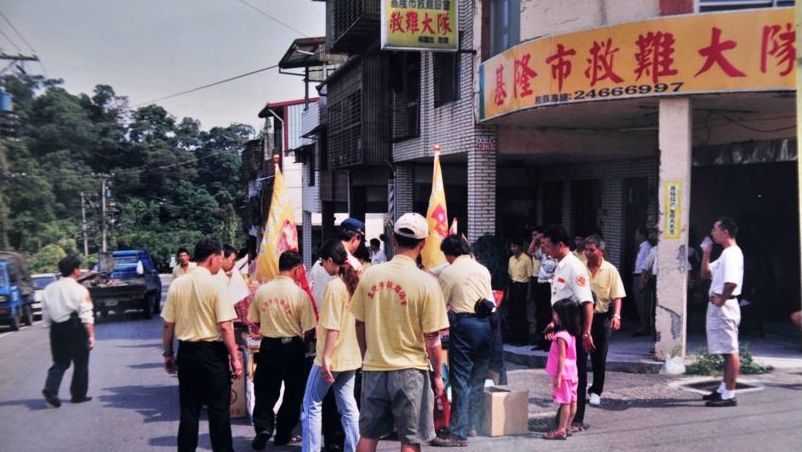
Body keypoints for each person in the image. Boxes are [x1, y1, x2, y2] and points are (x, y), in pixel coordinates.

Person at [351, 212, 449, 452]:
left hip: (374, 368)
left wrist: (367, 356)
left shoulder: (370, 275)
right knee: (409, 439)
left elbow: (359, 323)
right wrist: (438, 375)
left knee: (368, 435)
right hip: (410, 371)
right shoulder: (427, 283)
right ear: (423, 244)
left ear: (393, 239)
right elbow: (432, 338)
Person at [161, 238, 243, 452]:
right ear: (213, 257)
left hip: (187, 353)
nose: (221, 262)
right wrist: (235, 357)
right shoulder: (217, 284)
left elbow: (168, 325)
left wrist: (168, 354)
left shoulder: (178, 284)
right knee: (219, 411)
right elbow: (225, 326)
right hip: (213, 355)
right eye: (220, 258)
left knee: (189, 411)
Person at [248, 251, 317, 449]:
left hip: (268, 345)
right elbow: (310, 327)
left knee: (265, 389)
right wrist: (306, 343)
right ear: (296, 269)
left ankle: (263, 427)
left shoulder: (262, 291)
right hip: (292, 347)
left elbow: (254, 320)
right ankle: (284, 432)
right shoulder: (300, 294)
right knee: (293, 392)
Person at [430, 235, 493, 447]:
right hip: (486, 326)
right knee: (478, 378)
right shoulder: (482, 269)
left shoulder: (449, 272)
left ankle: (457, 432)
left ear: (449, 254)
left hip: (464, 326)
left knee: (461, 380)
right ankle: (471, 425)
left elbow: (440, 303)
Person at [301, 240, 362, 452]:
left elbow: (332, 326)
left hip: (330, 358)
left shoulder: (334, 287)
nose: (322, 266)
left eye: (321, 261)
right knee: (348, 407)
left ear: (329, 260)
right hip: (351, 356)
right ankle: (354, 448)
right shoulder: (354, 283)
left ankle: (311, 449)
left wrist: (326, 358)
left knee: (311, 405)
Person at [542, 225, 594, 432]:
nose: (545, 249)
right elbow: (561, 299)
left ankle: (574, 420)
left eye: (547, 245)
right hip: (562, 325)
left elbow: (587, 302)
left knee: (573, 375)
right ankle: (563, 420)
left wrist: (587, 332)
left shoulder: (574, 267)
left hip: (575, 330)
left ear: (560, 245)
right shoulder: (561, 264)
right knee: (565, 373)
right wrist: (553, 322)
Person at [700, 217, 744, 408]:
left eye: (715, 229)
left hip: (725, 307)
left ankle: (729, 394)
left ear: (725, 232)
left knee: (730, 350)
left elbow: (731, 281)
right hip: (719, 307)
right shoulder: (725, 254)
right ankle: (723, 389)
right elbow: (705, 273)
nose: (712, 232)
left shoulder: (732, 254)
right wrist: (706, 253)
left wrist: (723, 298)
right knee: (725, 350)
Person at [41, 255, 95, 408]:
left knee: (60, 362)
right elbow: (86, 315)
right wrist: (91, 336)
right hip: (76, 328)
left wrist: (50, 327)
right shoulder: (80, 289)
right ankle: (78, 396)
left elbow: (46, 313)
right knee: (81, 363)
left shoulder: (49, 289)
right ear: (75, 270)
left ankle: (51, 389)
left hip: (57, 329)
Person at [583, 235, 626, 407]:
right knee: (579, 356)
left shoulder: (610, 270)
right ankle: (578, 389)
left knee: (599, 357)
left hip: (601, 318)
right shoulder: (580, 268)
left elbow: (617, 295)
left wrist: (617, 315)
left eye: (592, 250)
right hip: (582, 318)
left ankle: (596, 391)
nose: (588, 253)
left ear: (601, 251)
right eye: (586, 249)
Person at [543, 298, 582, 440]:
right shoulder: (570, 334)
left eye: (555, 314)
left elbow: (561, 357)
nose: (554, 317)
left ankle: (560, 430)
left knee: (565, 402)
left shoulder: (561, 336)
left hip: (564, 374)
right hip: (572, 373)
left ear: (562, 316)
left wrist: (558, 377)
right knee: (572, 401)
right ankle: (567, 427)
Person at [506, 239, 532, 344]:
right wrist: (508, 292)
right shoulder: (511, 259)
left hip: (522, 286)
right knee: (512, 312)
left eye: (515, 246)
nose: (513, 249)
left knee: (521, 313)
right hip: (513, 285)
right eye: (511, 247)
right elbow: (509, 275)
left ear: (520, 247)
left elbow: (529, 278)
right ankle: (513, 336)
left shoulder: (526, 259)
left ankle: (522, 338)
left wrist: (529, 294)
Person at [631, 226, 652, 336]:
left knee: (643, 303)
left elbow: (647, 265)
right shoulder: (640, 247)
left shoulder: (646, 247)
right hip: (637, 275)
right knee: (638, 302)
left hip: (641, 276)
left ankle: (645, 326)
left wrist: (644, 281)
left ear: (642, 235)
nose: (636, 236)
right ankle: (641, 324)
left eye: (637, 234)